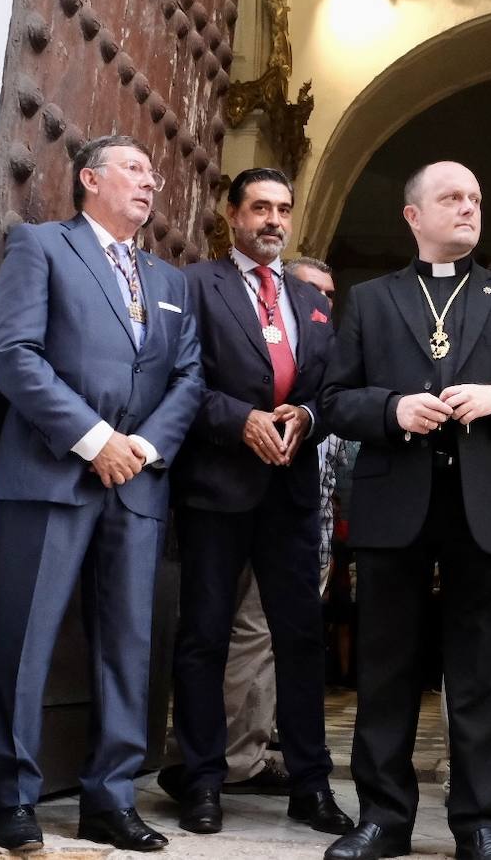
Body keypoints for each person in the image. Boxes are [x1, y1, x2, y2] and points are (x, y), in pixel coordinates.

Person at [320, 161, 491, 860]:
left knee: (481, 673)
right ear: (413, 216)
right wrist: (394, 408)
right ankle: (382, 820)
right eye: (452, 198)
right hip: (394, 502)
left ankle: (481, 825)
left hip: (482, 506)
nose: (468, 208)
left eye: (475, 197)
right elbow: (336, 402)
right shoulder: (371, 301)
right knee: (385, 667)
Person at [0, 134, 204, 853]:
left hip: (137, 483)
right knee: (25, 641)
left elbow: (189, 377)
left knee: (127, 646)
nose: (150, 183)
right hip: (50, 476)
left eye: (153, 174)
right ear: (90, 179)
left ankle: (110, 799)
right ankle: (12, 795)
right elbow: (12, 353)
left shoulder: (170, 282)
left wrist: (139, 447)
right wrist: (92, 438)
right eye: (134, 170)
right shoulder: (41, 247)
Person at [166, 168, 352, 837]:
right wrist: (240, 419)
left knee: (301, 639)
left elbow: (331, 388)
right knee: (205, 636)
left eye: (283, 209)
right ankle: (204, 779)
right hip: (218, 487)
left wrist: (303, 417)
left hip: (291, 492)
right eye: (261, 208)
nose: (274, 220)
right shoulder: (194, 286)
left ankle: (311, 784)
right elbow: (179, 380)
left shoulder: (309, 301)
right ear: (233, 215)